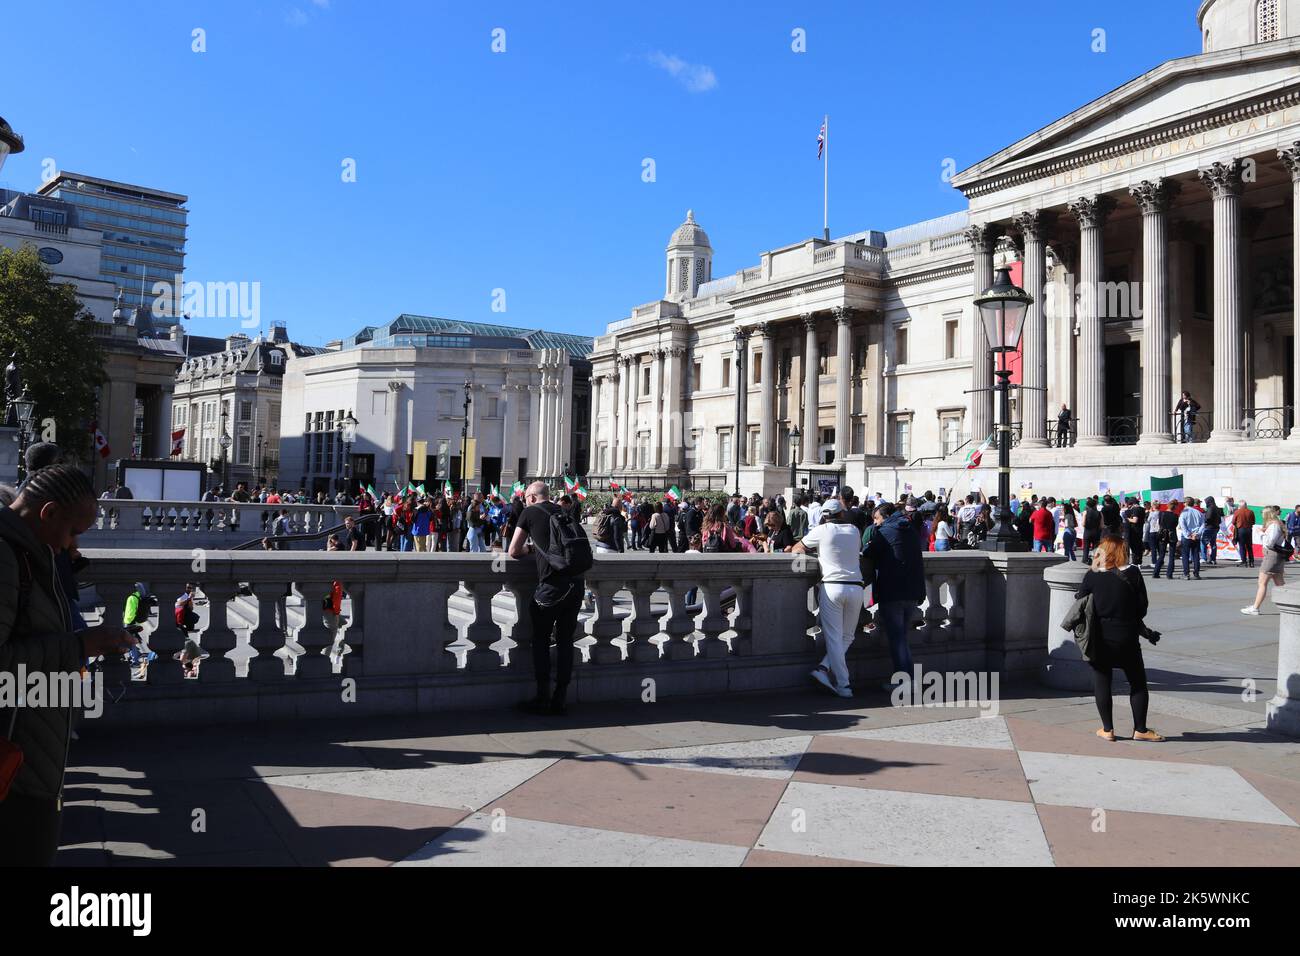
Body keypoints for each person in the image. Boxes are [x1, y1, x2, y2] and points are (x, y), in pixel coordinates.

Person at [0, 465, 139, 865]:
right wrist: (81, 645)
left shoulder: (32, 551)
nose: (71, 545)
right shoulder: (6, 557)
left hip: (32, 753)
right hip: (14, 760)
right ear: (48, 513)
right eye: (73, 531)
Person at [508, 482, 588, 716]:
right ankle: (560, 696)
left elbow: (514, 550)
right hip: (576, 584)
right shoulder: (563, 512)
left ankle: (542, 696)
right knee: (565, 641)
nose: (524, 501)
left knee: (541, 640)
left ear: (531, 497)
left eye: (525, 497)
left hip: (552, 587)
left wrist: (531, 550)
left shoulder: (529, 512)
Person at [1075, 535, 1164, 742]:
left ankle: (1108, 729)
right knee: (1138, 683)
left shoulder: (1092, 575)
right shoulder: (1133, 573)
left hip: (1100, 636)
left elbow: (1081, 600)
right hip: (1127, 636)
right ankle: (1140, 729)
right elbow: (1142, 607)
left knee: (1102, 681)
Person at [792, 500, 863, 698]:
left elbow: (797, 549)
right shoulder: (854, 530)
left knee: (833, 637)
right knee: (847, 637)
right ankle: (823, 668)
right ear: (841, 514)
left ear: (824, 516)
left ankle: (844, 684)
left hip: (832, 586)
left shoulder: (821, 531)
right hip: (856, 586)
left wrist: (817, 555)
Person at [864, 501, 925, 690]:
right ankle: (910, 680)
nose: (875, 523)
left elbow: (868, 553)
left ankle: (903, 681)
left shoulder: (885, 532)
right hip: (912, 591)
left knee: (897, 638)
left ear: (885, 516)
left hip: (893, 590)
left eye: (876, 518)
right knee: (902, 637)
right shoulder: (911, 530)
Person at [1243, 506, 1290, 615]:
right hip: (1276, 556)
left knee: (1262, 583)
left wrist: (1261, 533)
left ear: (1267, 515)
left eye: (1263, 515)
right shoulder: (1277, 524)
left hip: (1271, 556)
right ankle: (1290, 604)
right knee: (1280, 584)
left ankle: (1255, 608)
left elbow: (1269, 543)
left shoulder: (1274, 526)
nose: (1262, 517)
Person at [1177, 498, 1204, 580]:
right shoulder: (1199, 512)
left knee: (1185, 555)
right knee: (1196, 555)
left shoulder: (1184, 513)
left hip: (1187, 537)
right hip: (1195, 536)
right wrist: (1197, 534)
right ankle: (1196, 573)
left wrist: (1188, 534)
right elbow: (1203, 524)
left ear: (1185, 503)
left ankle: (1186, 573)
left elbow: (1182, 525)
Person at [1233, 500, 1256, 568]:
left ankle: (1244, 561)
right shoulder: (1251, 512)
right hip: (1249, 530)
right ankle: (1251, 562)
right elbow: (1253, 522)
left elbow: (1233, 522)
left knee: (1242, 546)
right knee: (1249, 546)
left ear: (1239, 506)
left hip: (1241, 530)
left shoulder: (1237, 512)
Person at [1124, 498, 1146, 567]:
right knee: (1139, 546)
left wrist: (1126, 518)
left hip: (1135, 530)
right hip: (1140, 529)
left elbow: (1135, 520)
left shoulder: (1135, 509)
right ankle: (1139, 562)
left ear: (1133, 504)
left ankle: (1135, 563)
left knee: (1134, 547)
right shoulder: (1142, 509)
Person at [1203, 495, 1223, 566]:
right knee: (1213, 543)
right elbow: (1220, 520)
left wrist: (1205, 521)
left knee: (1203, 542)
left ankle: (1204, 558)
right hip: (1216, 527)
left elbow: (1208, 518)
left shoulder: (1210, 508)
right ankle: (1213, 558)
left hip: (1209, 527)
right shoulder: (1217, 508)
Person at [1081, 498, 1102, 564]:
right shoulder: (1099, 513)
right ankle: (1096, 561)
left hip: (1087, 532)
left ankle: (1085, 560)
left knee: (1086, 547)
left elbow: (1083, 524)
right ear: (1095, 505)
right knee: (1096, 548)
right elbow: (1102, 525)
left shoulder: (1085, 512)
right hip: (1096, 532)